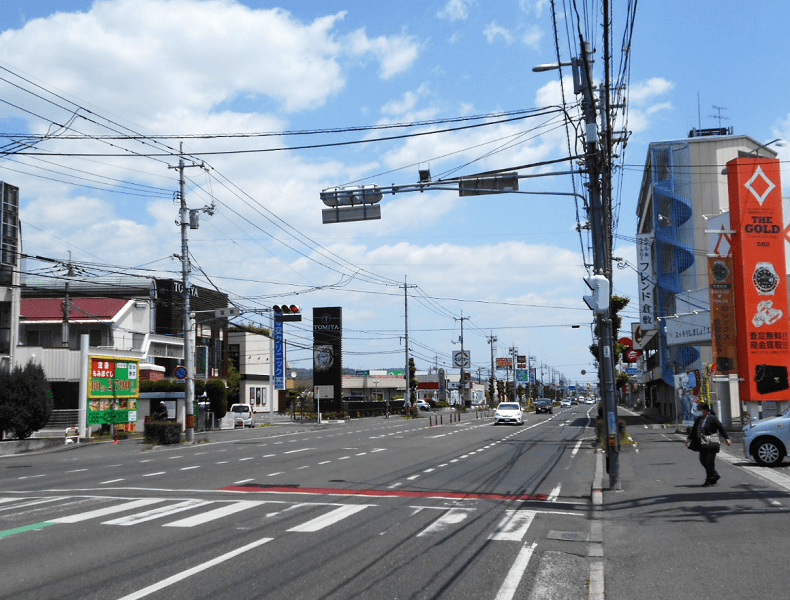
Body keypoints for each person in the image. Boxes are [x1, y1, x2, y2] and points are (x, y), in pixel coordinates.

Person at [684, 403, 732, 486]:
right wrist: (689, 439)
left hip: (711, 443)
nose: (700, 412)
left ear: (706, 410)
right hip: (702, 443)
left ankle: (709, 479)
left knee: (709, 461)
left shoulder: (713, 418)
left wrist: (726, 438)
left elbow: (720, 428)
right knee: (703, 461)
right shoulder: (699, 419)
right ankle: (714, 475)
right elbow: (694, 430)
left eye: (702, 410)